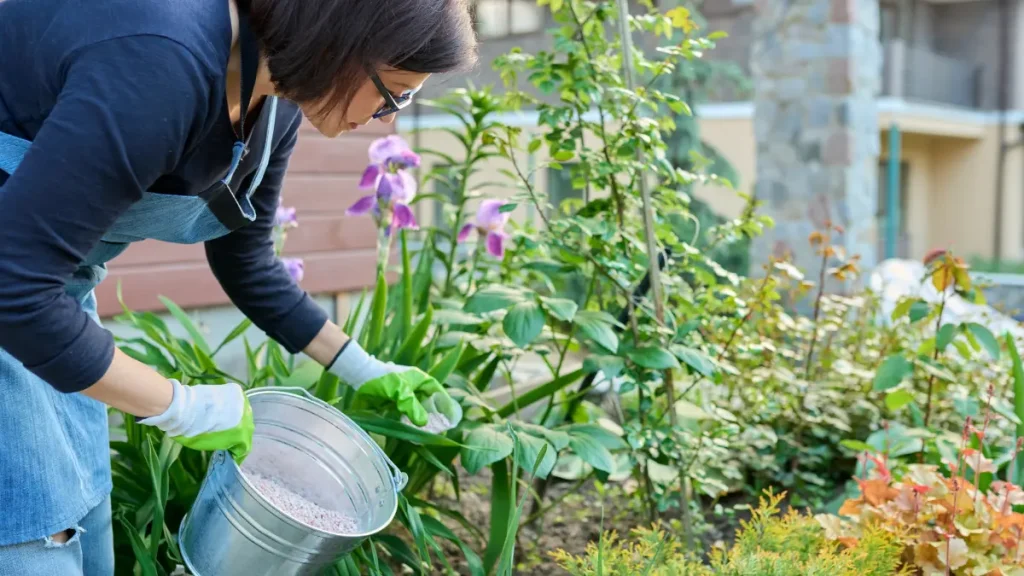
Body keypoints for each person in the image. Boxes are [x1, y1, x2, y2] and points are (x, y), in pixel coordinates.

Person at [0, 0, 477, 573]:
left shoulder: (275, 105)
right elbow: (15, 290)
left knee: (85, 513)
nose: (389, 118)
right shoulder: (162, 61)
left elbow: (246, 261)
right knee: (35, 533)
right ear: (342, 44)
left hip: (47, 289)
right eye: (393, 92)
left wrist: (363, 367)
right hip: (18, 290)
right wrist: (183, 407)